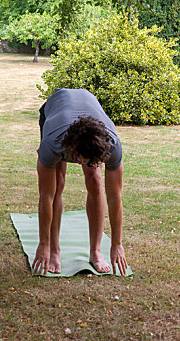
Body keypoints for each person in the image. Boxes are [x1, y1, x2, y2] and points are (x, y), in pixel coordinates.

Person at [32, 88, 128, 276]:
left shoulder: (112, 145)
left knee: (95, 179)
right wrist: (43, 244)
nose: (80, 164)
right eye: (81, 158)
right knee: (57, 184)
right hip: (56, 110)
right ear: (73, 149)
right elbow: (46, 197)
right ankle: (54, 250)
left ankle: (96, 252)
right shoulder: (54, 143)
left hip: (90, 109)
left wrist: (117, 244)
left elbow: (115, 198)